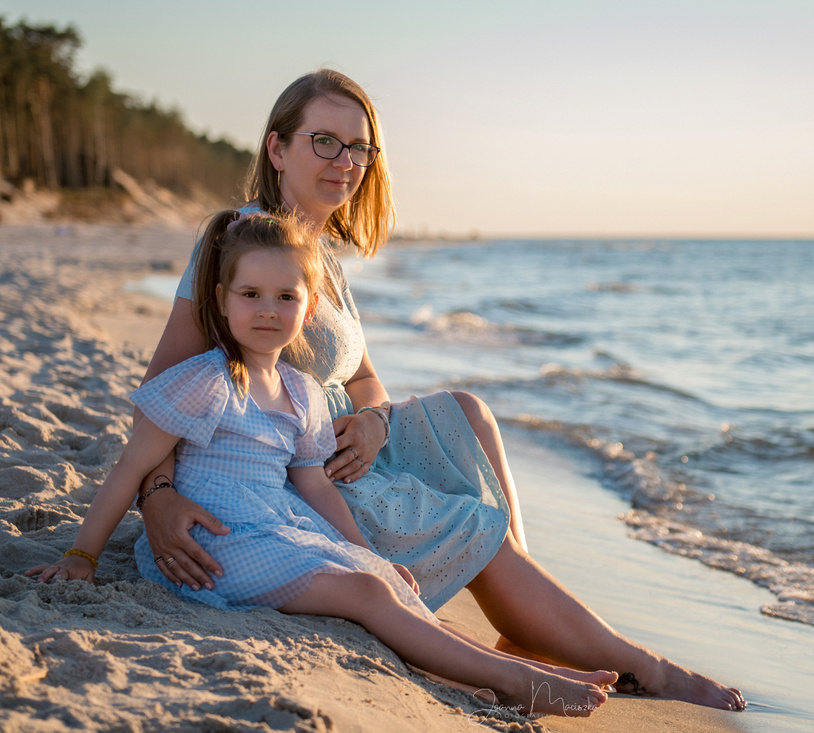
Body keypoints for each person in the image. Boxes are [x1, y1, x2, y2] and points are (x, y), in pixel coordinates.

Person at [138, 69, 746, 711]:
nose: (345, 162)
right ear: (277, 148)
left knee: (467, 411)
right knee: (470, 518)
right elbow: (167, 387)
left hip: (351, 437)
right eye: (324, 141)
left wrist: (374, 421)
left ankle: (521, 608)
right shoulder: (239, 242)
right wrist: (157, 497)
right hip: (298, 466)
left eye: (359, 148)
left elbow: (365, 377)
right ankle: (641, 666)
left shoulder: (323, 257)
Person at [26, 210, 612, 717]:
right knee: (367, 594)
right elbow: (130, 468)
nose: (266, 309)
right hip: (218, 541)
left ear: (309, 312)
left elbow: (314, 488)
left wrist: (364, 550)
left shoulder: (302, 392)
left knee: (385, 581)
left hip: (279, 526)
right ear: (221, 302)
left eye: (286, 296)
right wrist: (82, 555)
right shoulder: (205, 382)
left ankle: (515, 670)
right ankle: (515, 680)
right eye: (250, 294)